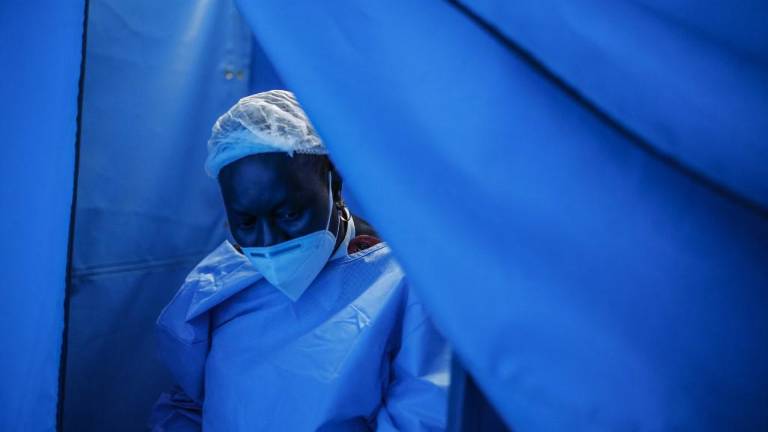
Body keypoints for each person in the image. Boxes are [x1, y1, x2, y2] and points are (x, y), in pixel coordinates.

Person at [149, 90, 450, 431]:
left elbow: (422, 417)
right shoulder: (217, 284)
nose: (269, 242)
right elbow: (188, 404)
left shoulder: (405, 287)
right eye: (246, 223)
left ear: (334, 185)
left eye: (289, 214)